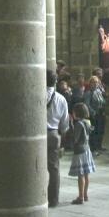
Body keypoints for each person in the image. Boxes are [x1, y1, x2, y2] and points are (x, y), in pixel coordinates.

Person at [45, 70, 70, 207]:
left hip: (36, 136)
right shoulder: (61, 99)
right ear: (55, 82)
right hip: (53, 133)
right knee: (53, 168)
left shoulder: (37, 94)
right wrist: (62, 137)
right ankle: (53, 199)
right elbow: (65, 123)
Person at [68, 102, 96, 204]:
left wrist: (71, 124)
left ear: (77, 113)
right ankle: (85, 194)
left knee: (81, 175)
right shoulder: (87, 122)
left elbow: (75, 138)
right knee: (86, 174)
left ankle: (80, 197)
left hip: (79, 151)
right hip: (87, 149)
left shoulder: (79, 124)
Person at [85, 75, 107, 155]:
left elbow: (103, 101)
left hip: (100, 114)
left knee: (99, 131)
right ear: (90, 83)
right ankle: (92, 149)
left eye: (97, 82)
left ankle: (98, 147)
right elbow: (87, 104)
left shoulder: (99, 92)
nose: (95, 84)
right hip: (93, 115)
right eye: (93, 82)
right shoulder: (88, 93)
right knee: (93, 132)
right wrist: (93, 112)